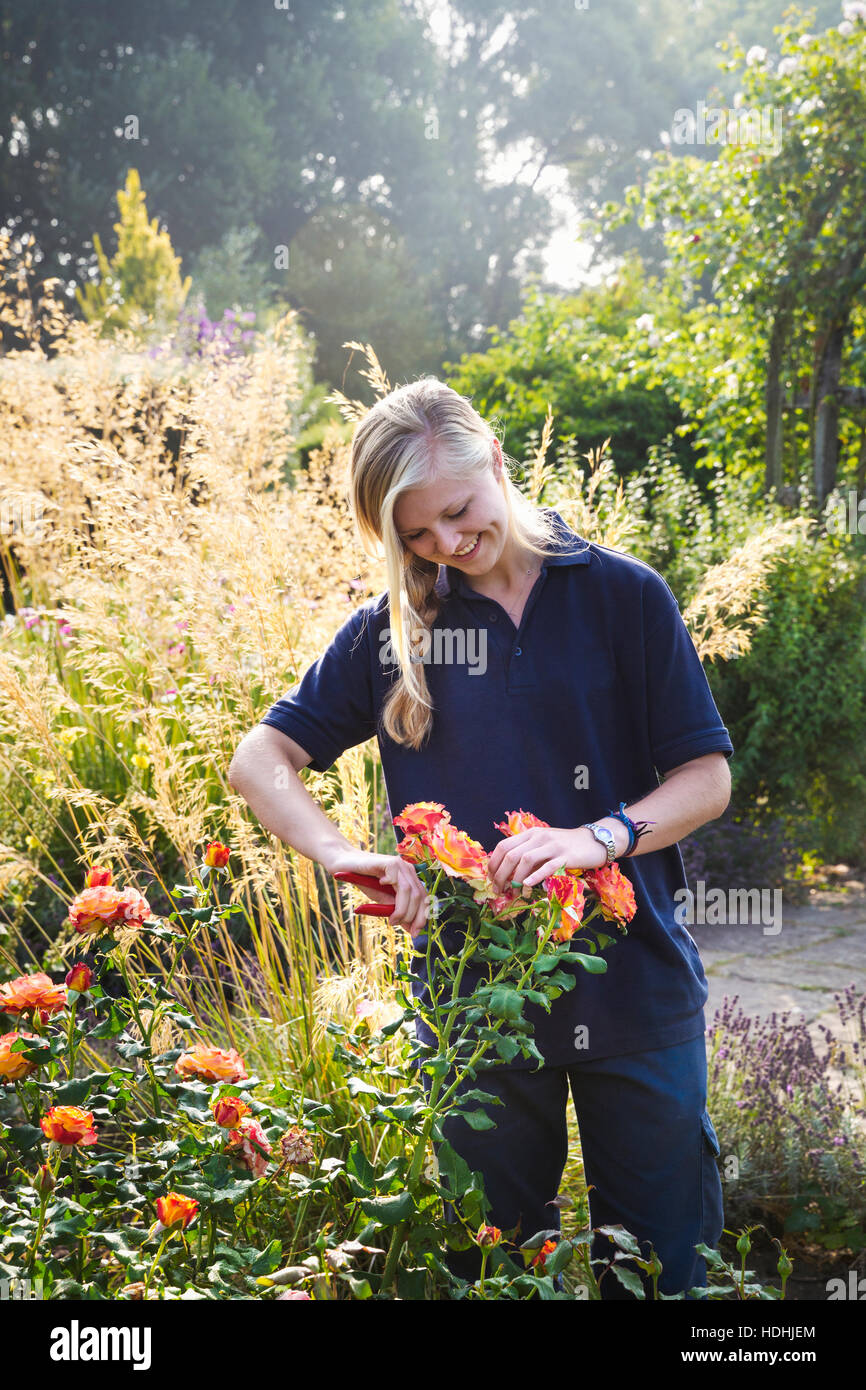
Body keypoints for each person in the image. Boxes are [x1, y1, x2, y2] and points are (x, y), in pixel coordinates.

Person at [228, 376, 733, 1299]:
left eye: (458, 513)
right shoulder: (394, 635)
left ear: (496, 460)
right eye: (416, 536)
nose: (447, 546)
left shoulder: (624, 597)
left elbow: (707, 778)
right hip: (475, 1010)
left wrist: (602, 836)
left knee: (669, 1276)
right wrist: (345, 853)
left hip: (639, 990)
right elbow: (259, 761)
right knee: (491, 1272)